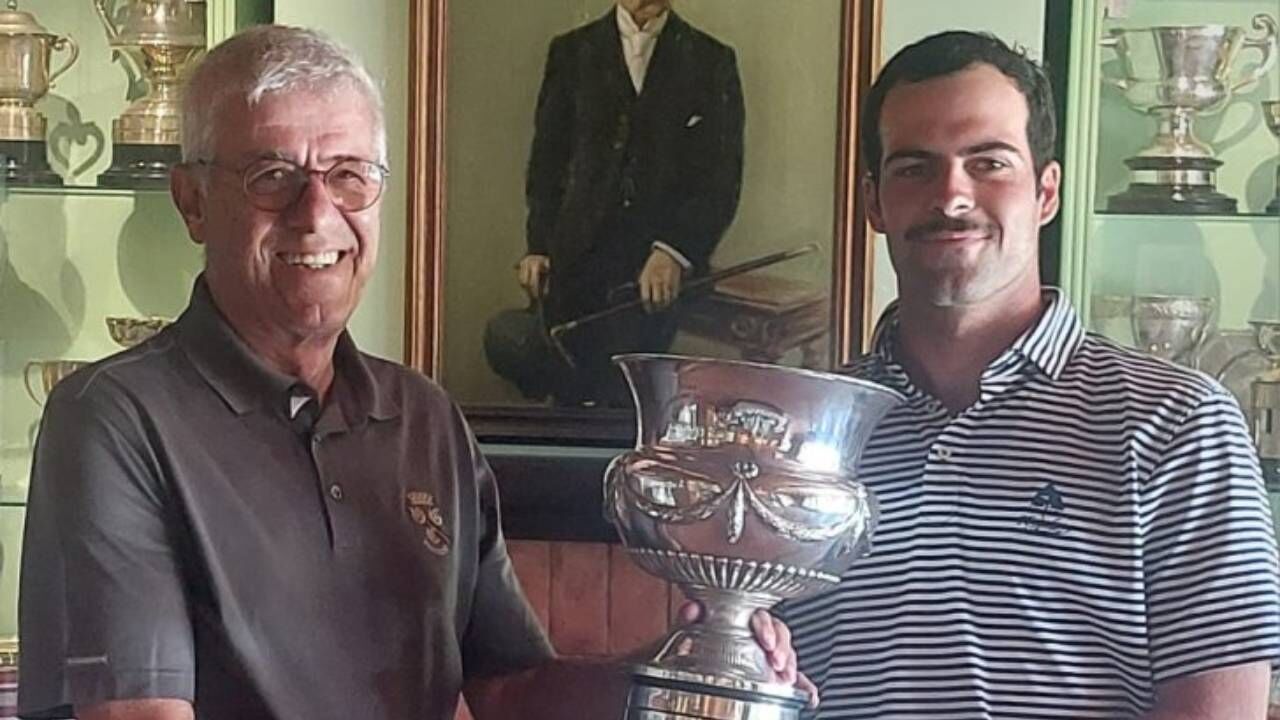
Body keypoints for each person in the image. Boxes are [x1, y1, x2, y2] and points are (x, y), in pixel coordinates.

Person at [16, 25, 801, 720]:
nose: (317, 214)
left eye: (350, 174)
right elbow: (138, 712)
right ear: (191, 201)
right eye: (271, 175)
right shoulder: (114, 418)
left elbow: (513, 690)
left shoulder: (425, 418)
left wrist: (685, 671)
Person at [780, 31, 1280, 719]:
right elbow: (769, 675)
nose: (951, 195)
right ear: (873, 201)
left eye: (988, 163)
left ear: (1046, 192)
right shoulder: (805, 432)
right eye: (914, 168)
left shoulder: (1178, 424)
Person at [484, 0, 744, 406]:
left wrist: (672, 252)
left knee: (629, 395)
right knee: (541, 361)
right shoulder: (571, 53)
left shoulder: (711, 60)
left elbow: (720, 180)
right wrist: (538, 245)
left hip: (654, 279)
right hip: (575, 264)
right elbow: (548, 163)